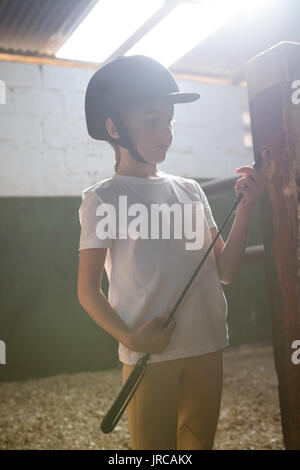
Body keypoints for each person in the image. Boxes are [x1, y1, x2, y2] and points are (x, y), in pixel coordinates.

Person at [77, 55, 269, 450]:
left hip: (209, 343)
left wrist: (246, 208)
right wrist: (132, 339)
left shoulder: (190, 190)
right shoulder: (102, 199)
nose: (165, 131)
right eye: (151, 120)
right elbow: (88, 290)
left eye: (169, 120)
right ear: (114, 127)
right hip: (150, 356)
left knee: (200, 446)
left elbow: (225, 271)